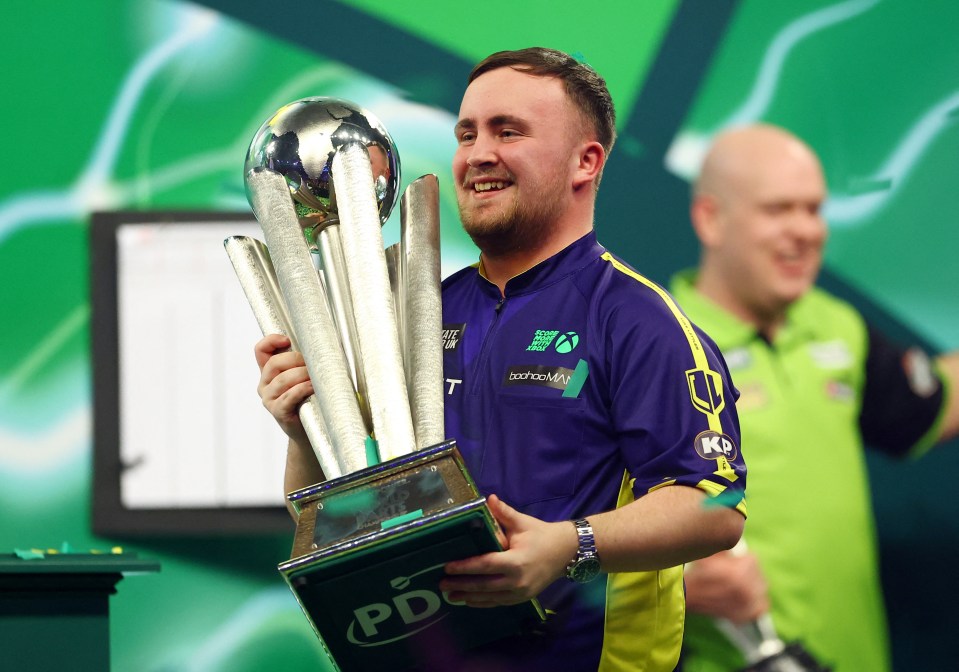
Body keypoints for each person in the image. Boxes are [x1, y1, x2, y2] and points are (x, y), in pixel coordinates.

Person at [256, 47, 747, 671]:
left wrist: (568, 546)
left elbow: (714, 505)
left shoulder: (638, 321)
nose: (478, 153)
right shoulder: (420, 314)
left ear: (585, 161)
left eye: (508, 131)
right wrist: (303, 431)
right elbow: (335, 515)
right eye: (467, 133)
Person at [672, 124, 959, 672]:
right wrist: (671, 583)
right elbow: (568, 537)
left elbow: (931, 403)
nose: (805, 231)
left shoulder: (839, 327)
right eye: (779, 210)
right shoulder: (652, 344)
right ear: (711, 219)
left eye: (814, 209)